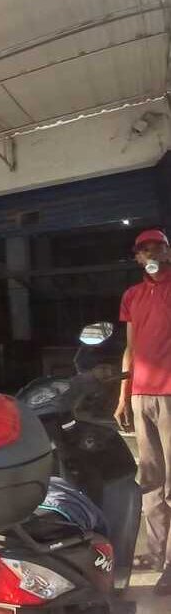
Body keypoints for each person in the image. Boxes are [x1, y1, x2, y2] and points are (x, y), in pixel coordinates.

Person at [114, 228, 171, 596]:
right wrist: (123, 396)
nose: (149, 253)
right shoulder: (132, 296)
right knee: (150, 482)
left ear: (167, 250)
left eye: (156, 247)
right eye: (142, 249)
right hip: (141, 395)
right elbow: (131, 349)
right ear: (136, 257)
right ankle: (155, 554)